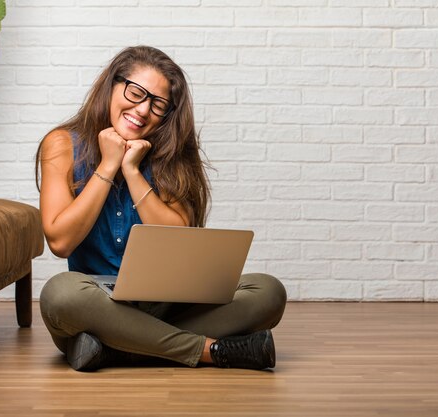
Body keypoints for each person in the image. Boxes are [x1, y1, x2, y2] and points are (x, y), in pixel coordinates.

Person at [35, 46, 287, 372]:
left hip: (168, 305)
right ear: (111, 86)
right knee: (60, 296)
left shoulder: (171, 155)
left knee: (268, 291)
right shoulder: (62, 144)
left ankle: (114, 349)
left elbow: (177, 239)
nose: (142, 109)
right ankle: (213, 350)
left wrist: (132, 171)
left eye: (158, 104)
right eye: (136, 92)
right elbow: (60, 242)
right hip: (96, 303)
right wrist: (108, 165)